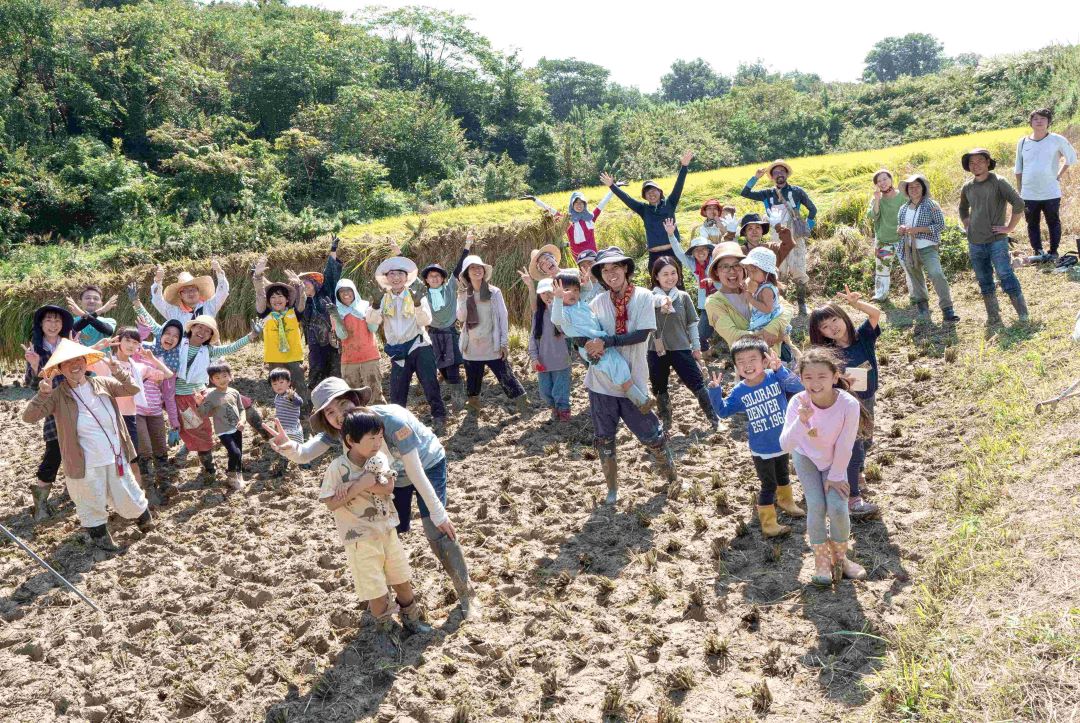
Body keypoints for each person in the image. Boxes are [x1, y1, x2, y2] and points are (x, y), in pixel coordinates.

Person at [265, 378, 478, 619]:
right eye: (330, 412)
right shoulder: (342, 431)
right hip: (390, 478)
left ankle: (466, 594)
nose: (339, 415)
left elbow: (416, 473)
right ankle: (383, 599)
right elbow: (305, 453)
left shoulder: (392, 422)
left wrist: (439, 513)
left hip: (425, 466)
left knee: (435, 529)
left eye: (343, 404)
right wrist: (287, 446)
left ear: (355, 400)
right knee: (383, 531)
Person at [554, 246, 678, 504]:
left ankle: (671, 477)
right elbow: (579, 329)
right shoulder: (596, 302)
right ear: (600, 275)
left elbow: (642, 333)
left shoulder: (643, 296)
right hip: (600, 384)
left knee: (651, 435)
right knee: (605, 439)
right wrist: (584, 345)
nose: (611, 273)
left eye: (616, 267)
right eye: (605, 269)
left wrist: (605, 342)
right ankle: (612, 490)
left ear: (626, 270)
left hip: (633, 377)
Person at [22, 339, 155, 551]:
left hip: (115, 454)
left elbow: (132, 388)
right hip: (84, 461)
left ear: (85, 362)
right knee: (89, 499)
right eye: (67, 363)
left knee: (128, 491)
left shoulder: (103, 382)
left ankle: (146, 523)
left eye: (78, 360)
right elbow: (29, 417)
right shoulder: (57, 395)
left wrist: (117, 371)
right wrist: (43, 394)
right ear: (60, 369)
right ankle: (102, 541)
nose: (75, 365)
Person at [320, 411, 433, 634]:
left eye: (380, 437)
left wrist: (354, 486)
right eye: (371, 438)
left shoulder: (379, 459)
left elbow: (388, 486)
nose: (377, 443)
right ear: (351, 441)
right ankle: (386, 632)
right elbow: (331, 503)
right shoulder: (337, 468)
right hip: (360, 539)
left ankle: (412, 620)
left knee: (401, 578)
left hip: (387, 530)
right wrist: (361, 483)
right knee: (376, 589)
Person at [779, 347, 868, 586]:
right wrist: (802, 420)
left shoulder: (848, 404)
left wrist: (837, 475)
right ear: (800, 379)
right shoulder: (798, 402)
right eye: (808, 377)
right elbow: (786, 445)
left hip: (835, 459)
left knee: (838, 507)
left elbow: (846, 443)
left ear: (834, 377)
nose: (815, 383)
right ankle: (821, 560)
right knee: (816, 506)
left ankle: (840, 558)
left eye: (822, 377)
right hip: (806, 457)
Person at [708, 337, 806, 537]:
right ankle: (769, 524)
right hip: (761, 448)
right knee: (768, 485)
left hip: (782, 440)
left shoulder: (775, 377)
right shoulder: (740, 391)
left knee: (784, 474)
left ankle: (786, 502)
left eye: (752, 359)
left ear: (765, 361)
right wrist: (715, 391)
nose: (747, 365)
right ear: (736, 367)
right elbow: (723, 412)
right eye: (741, 362)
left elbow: (798, 388)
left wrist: (780, 370)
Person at [808, 290, 882, 520]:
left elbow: (876, 314)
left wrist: (857, 303)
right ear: (820, 333)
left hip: (868, 398)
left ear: (843, 316)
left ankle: (856, 473)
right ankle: (853, 498)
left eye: (834, 320)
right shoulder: (829, 354)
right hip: (847, 405)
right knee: (854, 448)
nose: (833, 327)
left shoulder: (863, 337)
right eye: (825, 327)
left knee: (866, 440)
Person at [551, 274, 657, 414]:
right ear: (556, 292)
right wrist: (557, 298)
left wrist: (586, 282)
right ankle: (640, 401)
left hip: (600, 342)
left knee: (620, 366)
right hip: (589, 347)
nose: (573, 293)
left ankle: (639, 398)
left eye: (576, 290)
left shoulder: (579, 304)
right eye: (566, 290)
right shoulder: (564, 312)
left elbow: (587, 290)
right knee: (617, 368)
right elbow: (556, 319)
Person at [173, 315, 261, 483]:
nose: (202, 332)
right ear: (192, 328)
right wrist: (136, 303)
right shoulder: (178, 345)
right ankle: (209, 468)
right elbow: (158, 332)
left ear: (210, 337)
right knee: (200, 432)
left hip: (203, 392)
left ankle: (266, 434)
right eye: (200, 327)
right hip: (183, 400)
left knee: (241, 402)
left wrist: (252, 336)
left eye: (208, 331)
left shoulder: (209, 351)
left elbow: (231, 347)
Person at [374, 254, 448, 435]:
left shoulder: (416, 295)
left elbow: (426, 320)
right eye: (392, 274)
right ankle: (397, 427)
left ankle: (439, 418)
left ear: (406, 277)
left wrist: (416, 304)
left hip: (419, 346)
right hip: (398, 351)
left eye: (400, 273)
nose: (396, 277)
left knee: (430, 384)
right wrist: (375, 306)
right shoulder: (384, 299)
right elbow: (373, 323)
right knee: (397, 391)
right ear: (387, 278)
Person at [958, 148, 1029, 324]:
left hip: (996, 240)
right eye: (972, 163)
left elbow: (1019, 203)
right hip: (975, 241)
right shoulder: (967, 187)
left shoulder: (998, 182)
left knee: (1004, 273)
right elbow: (962, 208)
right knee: (983, 278)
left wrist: (1009, 228)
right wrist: (967, 224)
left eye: (980, 161)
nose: (976, 165)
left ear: (988, 162)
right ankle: (993, 316)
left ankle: (1023, 315)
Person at [647, 256, 717, 430]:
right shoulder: (648, 298)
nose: (670, 277)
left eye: (673, 273)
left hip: (681, 348)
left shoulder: (683, 297)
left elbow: (692, 325)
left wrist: (696, 348)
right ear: (656, 276)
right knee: (659, 387)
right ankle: (666, 422)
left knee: (697, 383)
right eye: (665, 274)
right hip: (655, 351)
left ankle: (714, 419)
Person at [455, 253, 528, 415]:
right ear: (467, 273)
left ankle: (523, 405)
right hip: (472, 345)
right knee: (472, 380)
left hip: (492, 344)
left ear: (484, 270)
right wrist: (461, 299)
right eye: (472, 268)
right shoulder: (463, 294)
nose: (476, 270)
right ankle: (473, 404)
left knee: (506, 376)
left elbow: (503, 317)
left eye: (479, 267)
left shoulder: (494, 292)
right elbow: (461, 318)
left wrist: (503, 343)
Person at [741, 160, 817, 315]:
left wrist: (807, 226)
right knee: (776, 270)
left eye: (782, 171)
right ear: (772, 177)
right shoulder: (767, 194)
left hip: (795, 234)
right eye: (775, 172)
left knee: (799, 270)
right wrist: (755, 177)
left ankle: (802, 305)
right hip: (776, 235)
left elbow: (813, 209)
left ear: (786, 174)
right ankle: (779, 304)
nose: (779, 174)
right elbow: (745, 193)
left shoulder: (797, 191)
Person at [104, 327, 173, 496]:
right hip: (113, 417)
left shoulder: (140, 367)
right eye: (127, 340)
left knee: (147, 452)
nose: (131, 345)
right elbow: (83, 360)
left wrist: (152, 358)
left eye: (135, 342)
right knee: (129, 456)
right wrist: (100, 347)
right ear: (118, 340)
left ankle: (154, 490)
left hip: (134, 414)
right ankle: (141, 492)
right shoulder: (106, 362)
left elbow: (168, 374)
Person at [23, 304, 76, 522]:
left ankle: (74, 492)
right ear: (41, 325)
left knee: (79, 448)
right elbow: (30, 384)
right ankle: (41, 502)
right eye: (48, 320)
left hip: (77, 403)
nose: (53, 325)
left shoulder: (70, 345)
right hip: (54, 408)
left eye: (57, 320)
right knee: (54, 450)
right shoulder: (37, 350)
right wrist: (35, 366)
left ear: (62, 325)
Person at [601, 151, 695, 270]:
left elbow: (679, 185)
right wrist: (612, 186)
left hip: (673, 251)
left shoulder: (670, 203)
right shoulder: (643, 209)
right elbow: (627, 199)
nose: (651, 193)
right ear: (644, 196)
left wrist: (684, 167)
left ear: (660, 192)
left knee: (678, 284)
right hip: (654, 255)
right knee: (656, 287)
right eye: (647, 192)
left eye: (654, 190)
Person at [704, 242, 793, 358]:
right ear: (716, 271)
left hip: (781, 352)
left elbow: (787, 308)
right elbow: (733, 336)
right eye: (725, 266)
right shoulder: (714, 302)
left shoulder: (755, 284)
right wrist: (769, 335)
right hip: (749, 364)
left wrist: (773, 328)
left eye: (737, 265)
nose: (732, 271)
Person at [417, 234, 472, 411]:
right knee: (441, 368)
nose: (434, 278)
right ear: (426, 280)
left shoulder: (449, 289)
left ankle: (458, 398)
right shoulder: (423, 293)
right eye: (430, 276)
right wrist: (398, 253)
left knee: (453, 367)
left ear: (442, 278)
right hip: (432, 334)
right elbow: (410, 278)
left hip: (449, 332)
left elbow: (458, 271)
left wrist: (467, 246)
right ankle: (454, 390)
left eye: (437, 276)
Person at [1015, 108, 1077, 263]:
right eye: (1035, 119)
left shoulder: (1057, 139)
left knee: (1053, 221)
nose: (1039, 121)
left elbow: (1071, 158)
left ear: (1049, 122)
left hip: (1050, 191)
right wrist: (1020, 190)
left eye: (1043, 118)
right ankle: (1038, 251)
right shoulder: (1022, 142)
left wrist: (1058, 175)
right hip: (1029, 192)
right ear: (1030, 122)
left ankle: (1054, 251)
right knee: (1032, 223)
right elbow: (1018, 168)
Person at [896, 174, 958, 323]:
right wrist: (901, 230)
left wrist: (918, 230)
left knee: (937, 274)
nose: (914, 189)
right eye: (911, 187)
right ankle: (923, 308)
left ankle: (947, 309)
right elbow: (899, 228)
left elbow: (940, 225)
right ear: (907, 190)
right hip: (909, 248)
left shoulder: (931, 204)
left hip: (928, 247)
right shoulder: (903, 208)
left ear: (923, 188)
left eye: (917, 186)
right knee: (915, 278)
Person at [253, 257, 310, 407]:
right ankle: (284, 412)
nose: (276, 299)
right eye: (272, 297)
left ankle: (303, 415)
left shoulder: (294, 313)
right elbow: (260, 295)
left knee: (299, 387)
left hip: (294, 358)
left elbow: (301, 300)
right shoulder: (266, 315)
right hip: (274, 359)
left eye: (280, 296)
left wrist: (299, 286)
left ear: (286, 300)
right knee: (279, 389)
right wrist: (257, 277)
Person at [665, 218, 718, 354]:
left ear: (708, 251)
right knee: (701, 333)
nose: (700, 252)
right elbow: (678, 252)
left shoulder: (715, 261)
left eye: (703, 249)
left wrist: (714, 280)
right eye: (697, 250)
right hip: (706, 302)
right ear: (693, 253)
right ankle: (705, 351)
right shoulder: (693, 264)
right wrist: (671, 235)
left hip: (723, 298)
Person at [298, 236, 344, 389]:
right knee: (315, 378)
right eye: (301, 284)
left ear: (314, 283)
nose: (305, 286)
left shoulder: (327, 292)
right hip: (315, 345)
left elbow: (330, 273)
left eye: (307, 283)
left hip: (333, 342)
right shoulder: (301, 302)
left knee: (336, 377)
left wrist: (332, 251)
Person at [195, 362, 248, 490]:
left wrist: (242, 421)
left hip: (236, 428)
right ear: (212, 380)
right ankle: (231, 475)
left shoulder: (234, 392)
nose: (221, 380)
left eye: (224, 376)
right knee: (234, 453)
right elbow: (203, 413)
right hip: (223, 431)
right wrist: (199, 403)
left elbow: (242, 409)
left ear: (230, 376)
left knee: (239, 453)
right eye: (217, 378)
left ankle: (239, 474)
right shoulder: (211, 396)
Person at [332, 278, 384, 405]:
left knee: (374, 392)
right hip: (349, 360)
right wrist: (337, 319)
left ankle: (379, 421)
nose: (345, 294)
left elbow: (373, 328)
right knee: (352, 395)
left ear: (354, 291)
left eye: (348, 290)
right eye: (341, 291)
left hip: (369, 356)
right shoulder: (335, 311)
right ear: (337, 295)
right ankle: (357, 423)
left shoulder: (365, 306)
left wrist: (376, 306)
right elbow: (342, 336)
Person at [526, 188, 616, 258]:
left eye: (581, 203)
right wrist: (535, 199)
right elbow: (551, 210)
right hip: (577, 256)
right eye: (576, 203)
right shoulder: (567, 220)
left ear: (585, 204)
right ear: (572, 205)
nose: (579, 205)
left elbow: (602, 204)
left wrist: (614, 188)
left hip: (592, 254)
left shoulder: (590, 218)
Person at [528, 278, 572, 422]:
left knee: (560, 389)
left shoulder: (564, 311)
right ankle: (554, 408)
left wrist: (555, 306)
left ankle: (563, 410)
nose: (547, 296)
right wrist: (534, 357)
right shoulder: (538, 315)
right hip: (543, 360)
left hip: (560, 359)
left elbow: (564, 329)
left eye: (550, 292)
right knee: (545, 391)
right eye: (543, 293)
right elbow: (533, 338)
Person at [866, 169, 906, 302]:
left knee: (910, 267)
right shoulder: (876, 199)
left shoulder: (903, 196)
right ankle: (880, 295)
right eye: (879, 181)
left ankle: (917, 295)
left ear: (891, 179)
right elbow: (872, 215)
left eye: (884, 179)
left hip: (902, 239)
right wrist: (877, 200)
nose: (882, 183)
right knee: (882, 270)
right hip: (884, 240)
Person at [151, 260, 230, 323]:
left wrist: (219, 271)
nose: (190, 293)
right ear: (180, 295)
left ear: (199, 292)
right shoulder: (174, 312)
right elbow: (157, 301)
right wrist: (158, 281)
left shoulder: (209, 306)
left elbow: (223, 291)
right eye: (185, 291)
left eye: (193, 289)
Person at [741, 247, 785, 334]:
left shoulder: (766, 289)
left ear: (767, 272)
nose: (751, 276)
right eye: (749, 272)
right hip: (764, 322)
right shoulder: (761, 284)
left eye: (754, 272)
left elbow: (767, 309)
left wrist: (750, 299)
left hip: (767, 324)